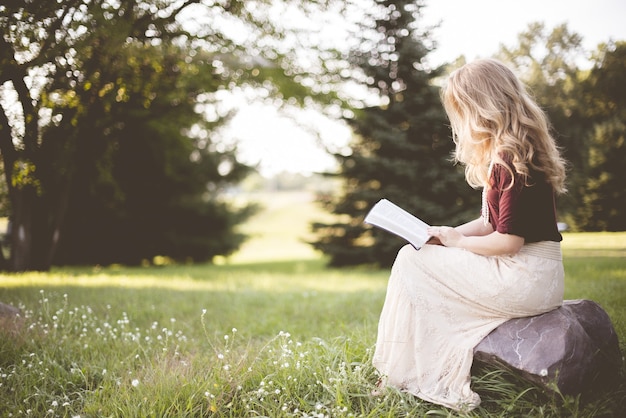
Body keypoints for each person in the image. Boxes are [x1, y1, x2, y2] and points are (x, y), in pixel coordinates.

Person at [372, 58, 568, 412]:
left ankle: (401, 373)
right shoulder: (515, 149)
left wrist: (458, 244)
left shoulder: (510, 156)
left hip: (525, 276)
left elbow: (508, 242)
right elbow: (489, 223)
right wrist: (443, 233)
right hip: (536, 275)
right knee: (418, 256)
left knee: (409, 261)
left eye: (462, 109)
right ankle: (404, 369)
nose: (460, 120)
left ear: (482, 106)